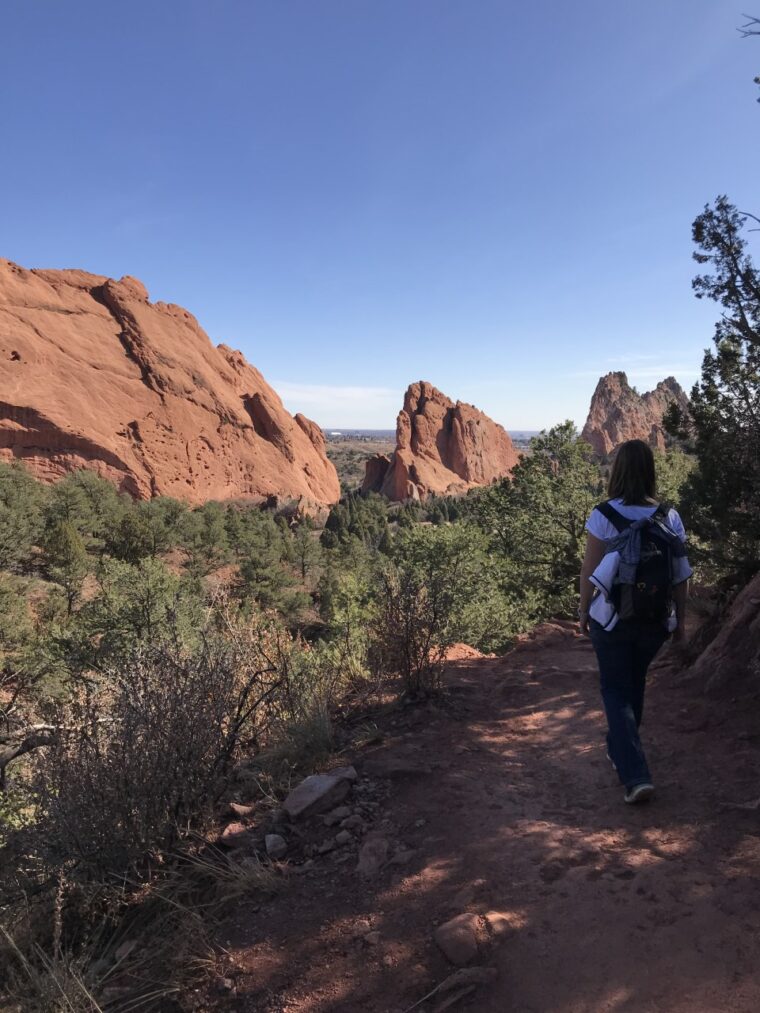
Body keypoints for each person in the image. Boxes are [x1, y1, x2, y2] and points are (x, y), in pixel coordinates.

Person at [578, 439, 691, 804]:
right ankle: (620, 748)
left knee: (614, 689)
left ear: (618, 472)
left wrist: (582, 610)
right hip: (654, 620)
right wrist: (681, 623)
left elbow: (589, 570)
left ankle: (635, 775)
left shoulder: (603, 514)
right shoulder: (669, 516)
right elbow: (679, 575)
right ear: (650, 472)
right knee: (634, 683)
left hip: (611, 620)